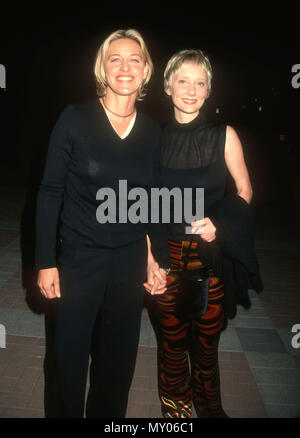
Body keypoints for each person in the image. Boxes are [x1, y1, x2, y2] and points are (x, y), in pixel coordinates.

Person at [35, 29, 169, 418]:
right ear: (102, 68)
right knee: (68, 361)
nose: (125, 66)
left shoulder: (151, 131)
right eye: (115, 58)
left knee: (117, 365)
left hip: (128, 263)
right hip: (80, 260)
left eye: (134, 59)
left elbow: (152, 202)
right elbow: (49, 192)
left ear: (146, 71)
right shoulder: (74, 119)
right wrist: (46, 260)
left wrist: (154, 258)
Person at [145, 49, 263, 418]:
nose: (191, 90)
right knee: (172, 346)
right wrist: (146, 261)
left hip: (207, 262)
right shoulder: (151, 138)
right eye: (183, 81)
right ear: (167, 86)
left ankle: (211, 412)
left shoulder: (223, 135)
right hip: (164, 259)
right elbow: (141, 206)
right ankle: (176, 413)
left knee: (206, 348)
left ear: (209, 90)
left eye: (200, 83)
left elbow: (245, 190)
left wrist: (221, 223)